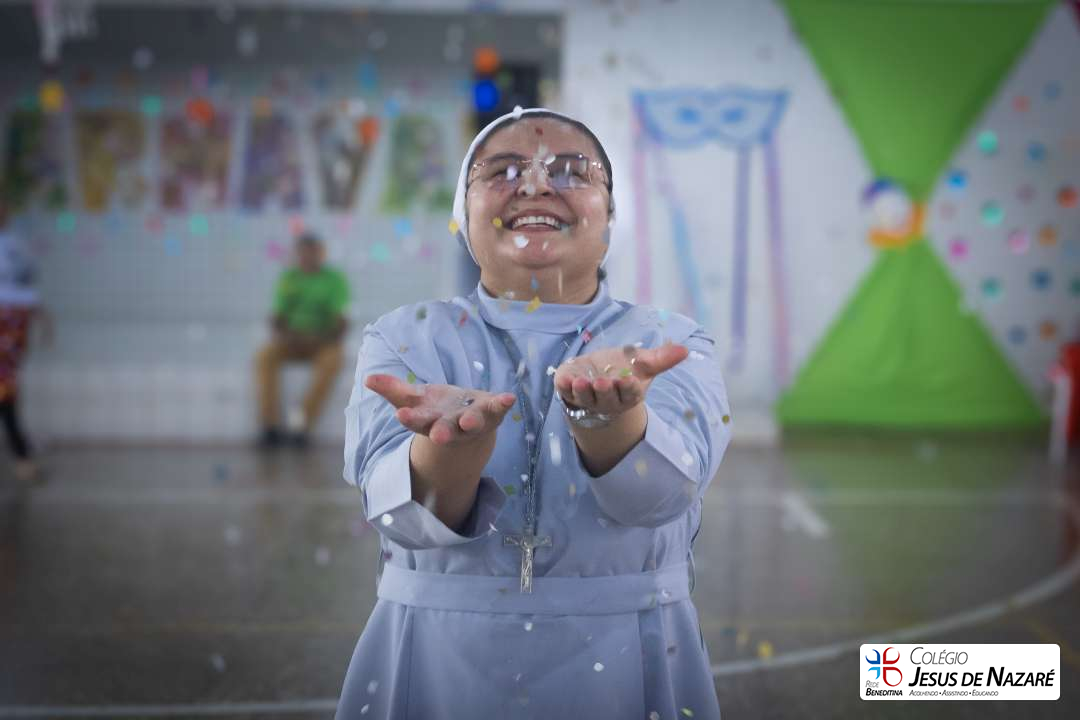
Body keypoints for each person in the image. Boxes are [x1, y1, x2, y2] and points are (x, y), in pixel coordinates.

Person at [338, 109, 732, 719]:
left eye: (571, 170)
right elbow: (402, 522)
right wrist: (451, 449)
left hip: (628, 654)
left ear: (610, 211)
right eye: (503, 170)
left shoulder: (668, 342)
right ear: (463, 212)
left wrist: (610, 421)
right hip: (440, 658)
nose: (535, 184)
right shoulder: (407, 338)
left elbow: (659, 500)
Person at [255, 233, 349, 448]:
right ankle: (270, 426)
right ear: (297, 254)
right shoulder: (289, 278)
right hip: (291, 341)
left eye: (312, 252)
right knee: (264, 356)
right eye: (303, 253)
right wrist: (287, 337)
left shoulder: (334, 280)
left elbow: (341, 322)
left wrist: (318, 339)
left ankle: (301, 426)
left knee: (333, 361)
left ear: (321, 254)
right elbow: (277, 317)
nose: (308, 257)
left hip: (323, 342)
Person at [0, 186, 52, 483]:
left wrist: (42, 317)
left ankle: (22, 455)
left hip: (13, 323)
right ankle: (22, 455)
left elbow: (27, 286)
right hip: (11, 322)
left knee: (6, 388)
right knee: (6, 391)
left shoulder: (15, 246)